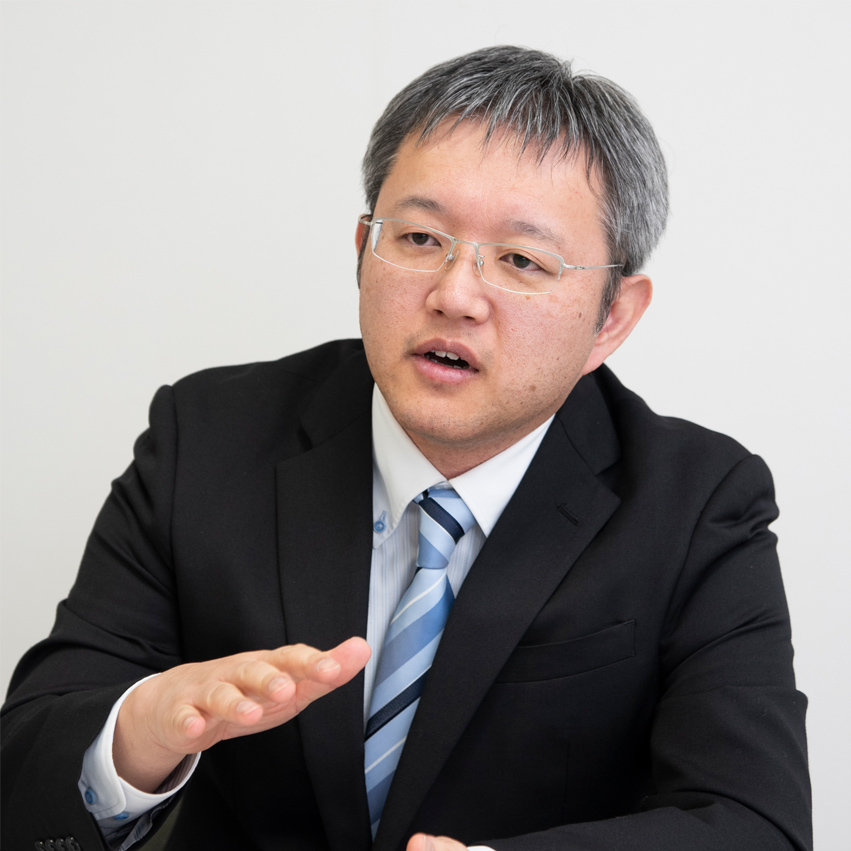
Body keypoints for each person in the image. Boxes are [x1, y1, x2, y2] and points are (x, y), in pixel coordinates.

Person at [1, 45, 811, 851]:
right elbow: (24, 770)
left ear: (612, 317)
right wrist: (137, 732)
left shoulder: (697, 503)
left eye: (520, 259)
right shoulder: (207, 437)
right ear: (363, 248)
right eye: (420, 237)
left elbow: (753, 823)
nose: (454, 295)